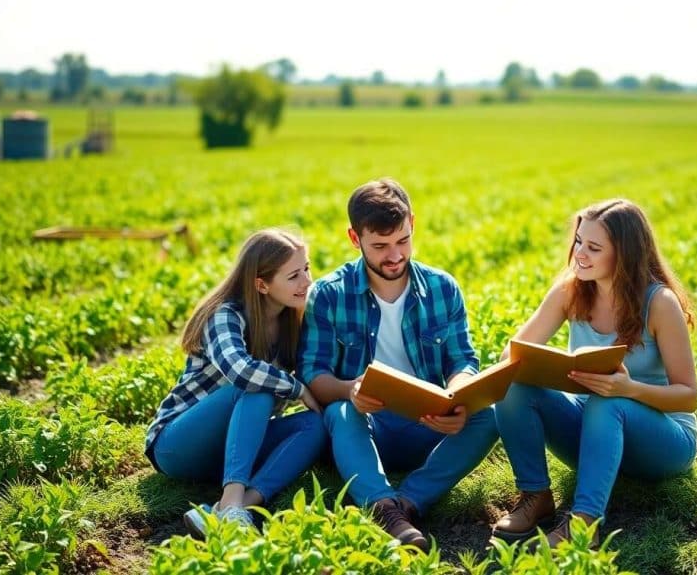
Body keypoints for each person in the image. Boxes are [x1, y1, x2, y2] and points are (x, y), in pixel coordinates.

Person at [297, 178, 498, 550]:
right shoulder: (328, 294)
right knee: (341, 411)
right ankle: (383, 509)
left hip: (428, 424)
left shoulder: (442, 288)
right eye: (380, 246)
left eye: (403, 241)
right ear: (354, 238)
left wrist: (456, 396)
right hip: (365, 427)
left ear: (413, 224)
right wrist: (350, 390)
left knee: (489, 415)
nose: (394, 255)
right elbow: (313, 373)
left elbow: (462, 359)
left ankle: (408, 502)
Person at [491, 198, 697, 548]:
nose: (580, 253)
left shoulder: (660, 303)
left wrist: (628, 389)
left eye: (594, 247)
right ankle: (535, 496)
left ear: (625, 254)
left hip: (663, 441)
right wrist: (555, 368)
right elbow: (509, 355)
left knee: (606, 400)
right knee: (513, 384)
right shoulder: (571, 290)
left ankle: (585, 523)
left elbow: (688, 397)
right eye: (578, 241)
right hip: (594, 434)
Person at [144, 228, 327, 539]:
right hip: (179, 445)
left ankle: (234, 508)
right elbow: (240, 371)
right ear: (261, 284)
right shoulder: (225, 314)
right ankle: (231, 504)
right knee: (256, 389)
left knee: (315, 425)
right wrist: (297, 389)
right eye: (294, 275)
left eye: (307, 268)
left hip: (237, 446)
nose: (307, 281)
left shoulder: (295, 320)